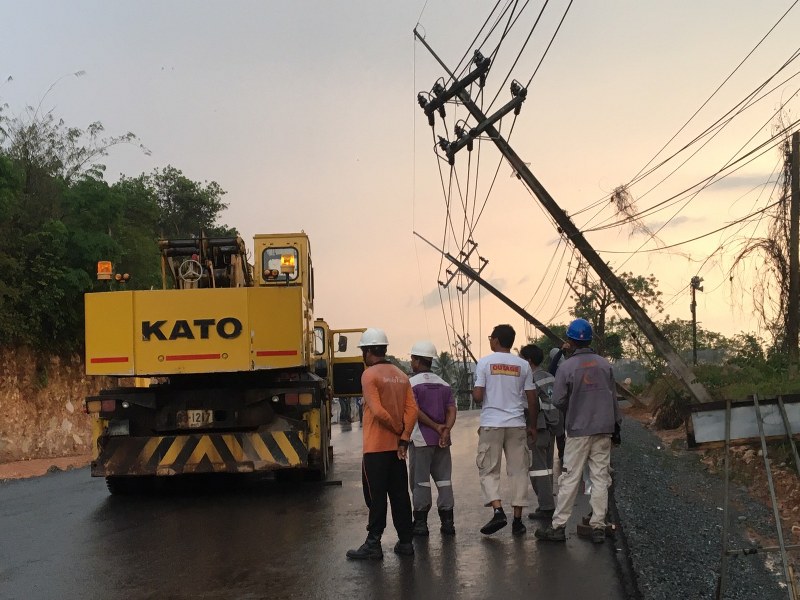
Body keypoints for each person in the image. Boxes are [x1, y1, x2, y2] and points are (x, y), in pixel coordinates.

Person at [534, 318, 621, 544]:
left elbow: (558, 400)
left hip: (578, 430)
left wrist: (574, 406)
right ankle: (598, 526)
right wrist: (616, 425)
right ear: (590, 339)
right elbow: (613, 398)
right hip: (604, 428)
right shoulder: (604, 364)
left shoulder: (567, 367)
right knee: (600, 477)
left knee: (570, 477)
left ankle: (558, 527)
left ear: (570, 341)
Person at [346, 328, 419, 560]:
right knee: (400, 495)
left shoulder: (369, 375)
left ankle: (373, 543)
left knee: (376, 497)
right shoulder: (401, 375)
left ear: (368, 351)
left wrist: (396, 428)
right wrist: (404, 437)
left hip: (375, 448)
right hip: (397, 449)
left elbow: (377, 411)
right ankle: (406, 542)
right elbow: (413, 410)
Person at [472, 324, 538, 536]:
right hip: (517, 424)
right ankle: (517, 521)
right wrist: (533, 426)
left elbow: (478, 397)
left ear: (497, 340)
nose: (490, 341)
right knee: (519, 471)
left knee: (489, 469)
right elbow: (532, 399)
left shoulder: (484, 363)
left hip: (492, 423)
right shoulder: (523, 365)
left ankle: (498, 510)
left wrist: (476, 390)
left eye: (491, 337)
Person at [407, 340, 457, 537]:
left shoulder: (412, 384)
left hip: (421, 440)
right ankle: (448, 523)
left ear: (418, 361)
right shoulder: (444, 384)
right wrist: (445, 429)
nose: (411, 362)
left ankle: (421, 524)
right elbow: (451, 410)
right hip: (442, 441)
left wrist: (435, 426)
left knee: (420, 482)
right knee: (444, 480)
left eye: (412, 359)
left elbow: (414, 411)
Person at [519, 344, 558, 521]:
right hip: (552, 427)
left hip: (538, 426)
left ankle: (546, 507)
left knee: (537, 469)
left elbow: (529, 405)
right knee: (547, 467)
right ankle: (548, 503)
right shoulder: (549, 376)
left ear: (528, 361)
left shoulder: (530, 380)